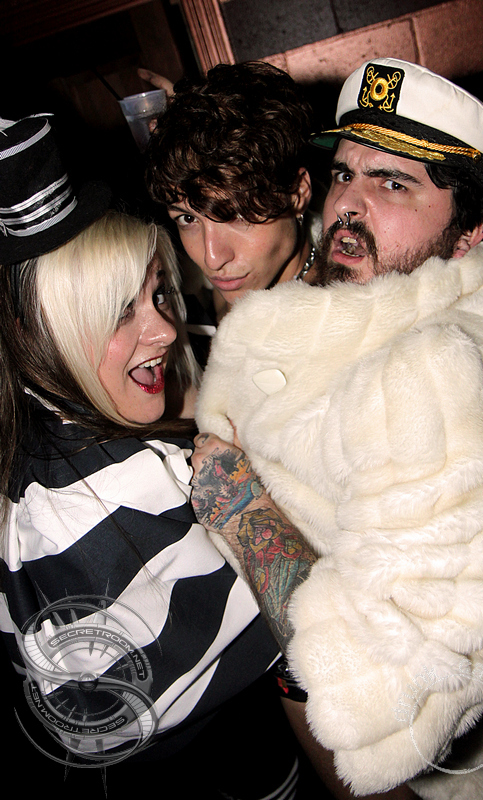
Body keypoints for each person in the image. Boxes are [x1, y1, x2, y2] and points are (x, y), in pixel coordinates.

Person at [190, 59, 483, 799]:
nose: (348, 203)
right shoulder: (383, 298)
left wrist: (243, 510)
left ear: (468, 231)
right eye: (344, 173)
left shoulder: (440, 372)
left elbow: (393, 692)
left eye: (394, 183)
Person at [0, 113, 307, 800]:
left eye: (157, 293)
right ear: (36, 329)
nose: (164, 329)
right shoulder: (94, 502)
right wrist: (246, 505)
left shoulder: (60, 432)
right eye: (119, 310)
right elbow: (320, 637)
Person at [144, 61, 320, 326]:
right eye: (188, 219)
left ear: (297, 193)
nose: (211, 258)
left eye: (237, 215)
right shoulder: (238, 279)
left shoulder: (330, 324)